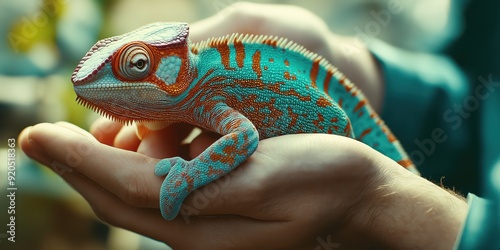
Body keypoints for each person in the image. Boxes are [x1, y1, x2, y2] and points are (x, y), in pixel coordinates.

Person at [19, 2, 498, 249]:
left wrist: (381, 204)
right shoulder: (195, 87)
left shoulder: (205, 91)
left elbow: (244, 135)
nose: (120, 82)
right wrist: (380, 79)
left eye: (139, 65)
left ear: (175, 68)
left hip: (334, 127)